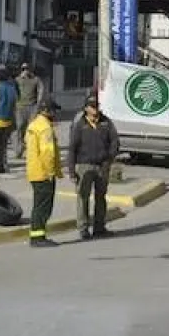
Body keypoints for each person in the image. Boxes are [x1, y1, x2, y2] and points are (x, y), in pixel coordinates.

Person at [68, 96, 120, 240]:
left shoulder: (106, 123)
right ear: (86, 109)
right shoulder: (79, 125)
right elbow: (72, 148)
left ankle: (99, 227)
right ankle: (83, 228)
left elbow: (115, 141)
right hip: (84, 166)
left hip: (102, 165)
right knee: (82, 197)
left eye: (96, 105)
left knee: (100, 197)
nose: (94, 108)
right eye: (91, 106)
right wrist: (71, 171)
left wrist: (109, 159)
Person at [26, 100, 64, 248]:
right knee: (43, 206)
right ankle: (37, 236)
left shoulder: (34, 124)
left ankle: (37, 234)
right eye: (54, 110)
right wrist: (50, 172)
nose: (56, 114)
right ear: (46, 110)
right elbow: (48, 153)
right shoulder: (45, 128)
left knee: (38, 204)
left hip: (34, 170)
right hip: (43, 173)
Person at [14, 63, 44, 161]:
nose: (25, 71)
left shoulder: (36, 79)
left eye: (27, 69)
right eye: (23, 69)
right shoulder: (17, 80)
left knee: (31, 129)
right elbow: (13, 91)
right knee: (19, 128)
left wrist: (38, 104)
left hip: (32, 107)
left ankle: (31, 150)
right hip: (20, 107)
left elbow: (41, 90)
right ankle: (19, 150)